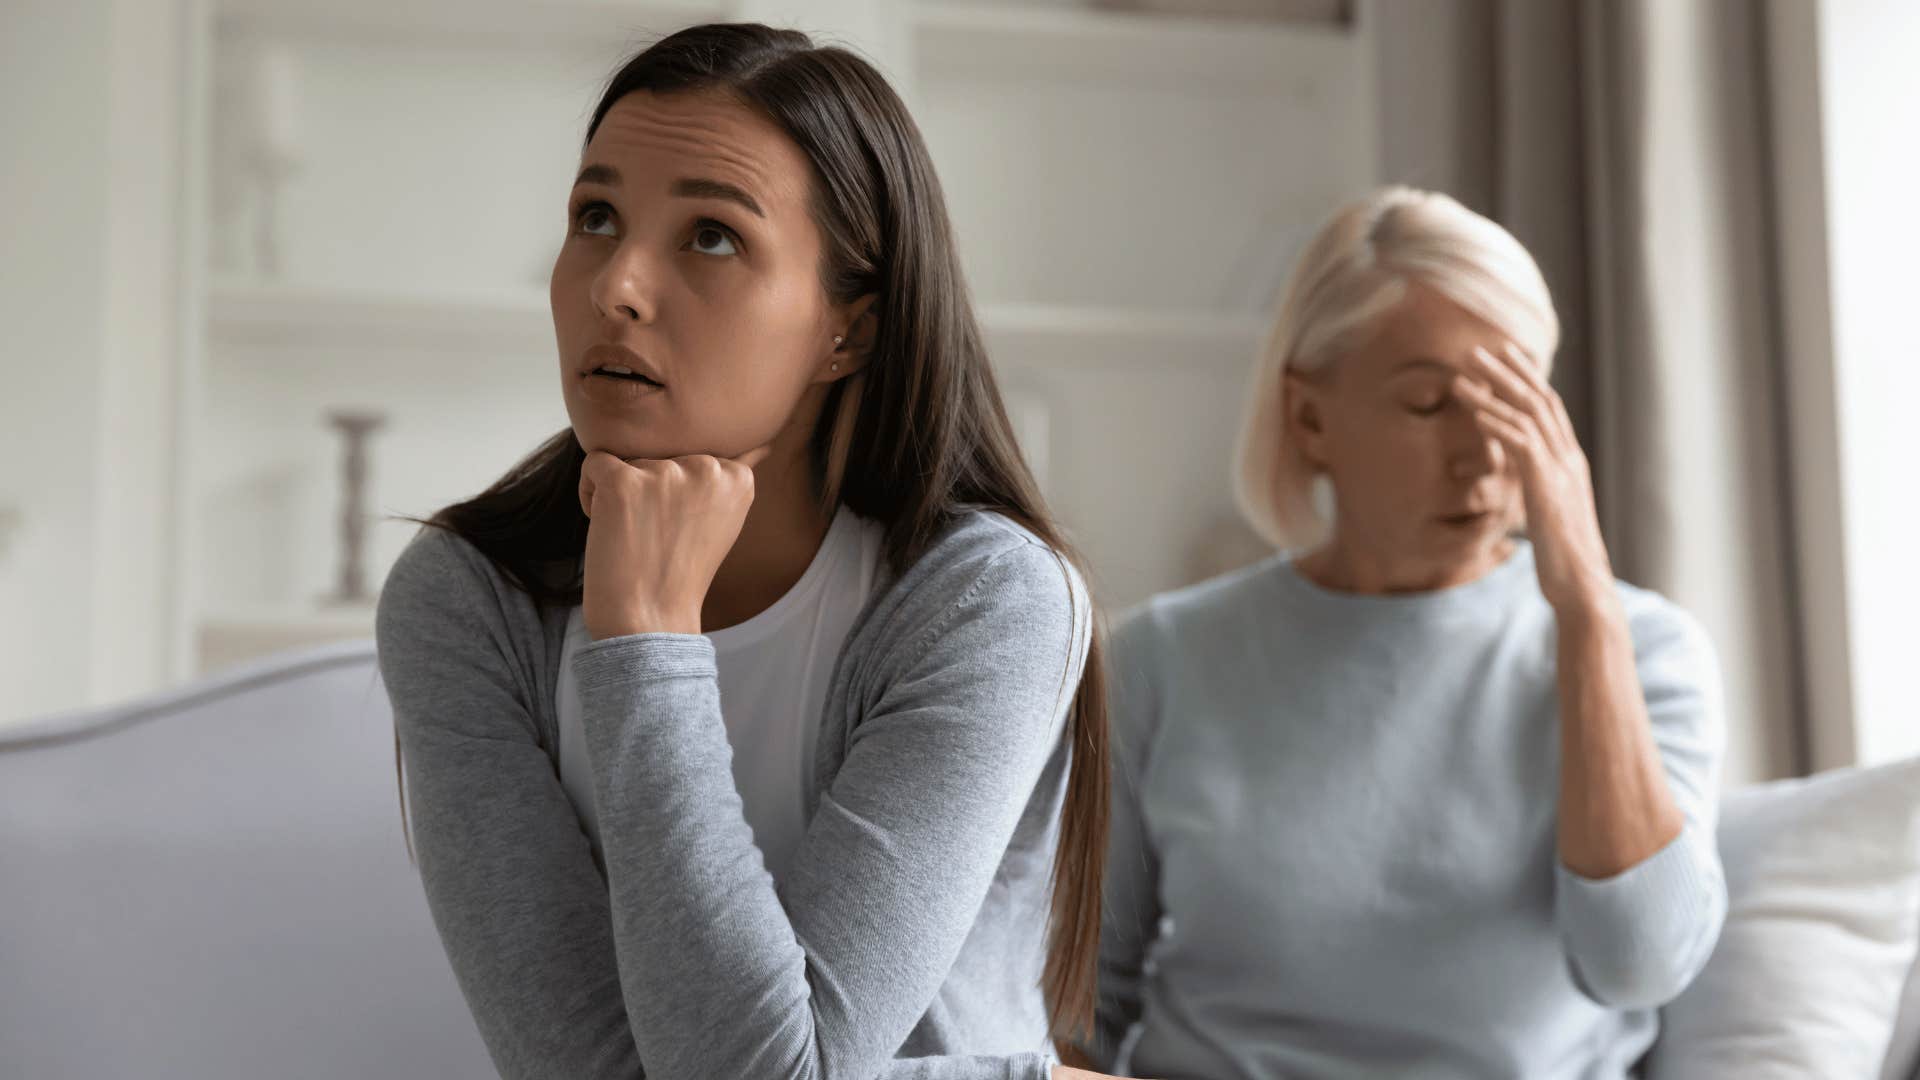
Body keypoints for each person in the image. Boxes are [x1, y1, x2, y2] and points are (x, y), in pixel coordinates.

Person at [376, 23, 1123, 1080]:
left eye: (711, 237)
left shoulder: (984, 603)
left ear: (848, 331)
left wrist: (645, 648)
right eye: (596, 217)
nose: (617, 286)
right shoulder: (466, 599)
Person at [1070, 187, 1727, 1078]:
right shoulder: (1155, 663)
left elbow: (1638, 964)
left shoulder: (1647, 651)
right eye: (1430, 404)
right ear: (1309, 419)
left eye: (1514, 403)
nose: (1487, 455)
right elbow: (1079, 1010)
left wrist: (1585, 614)